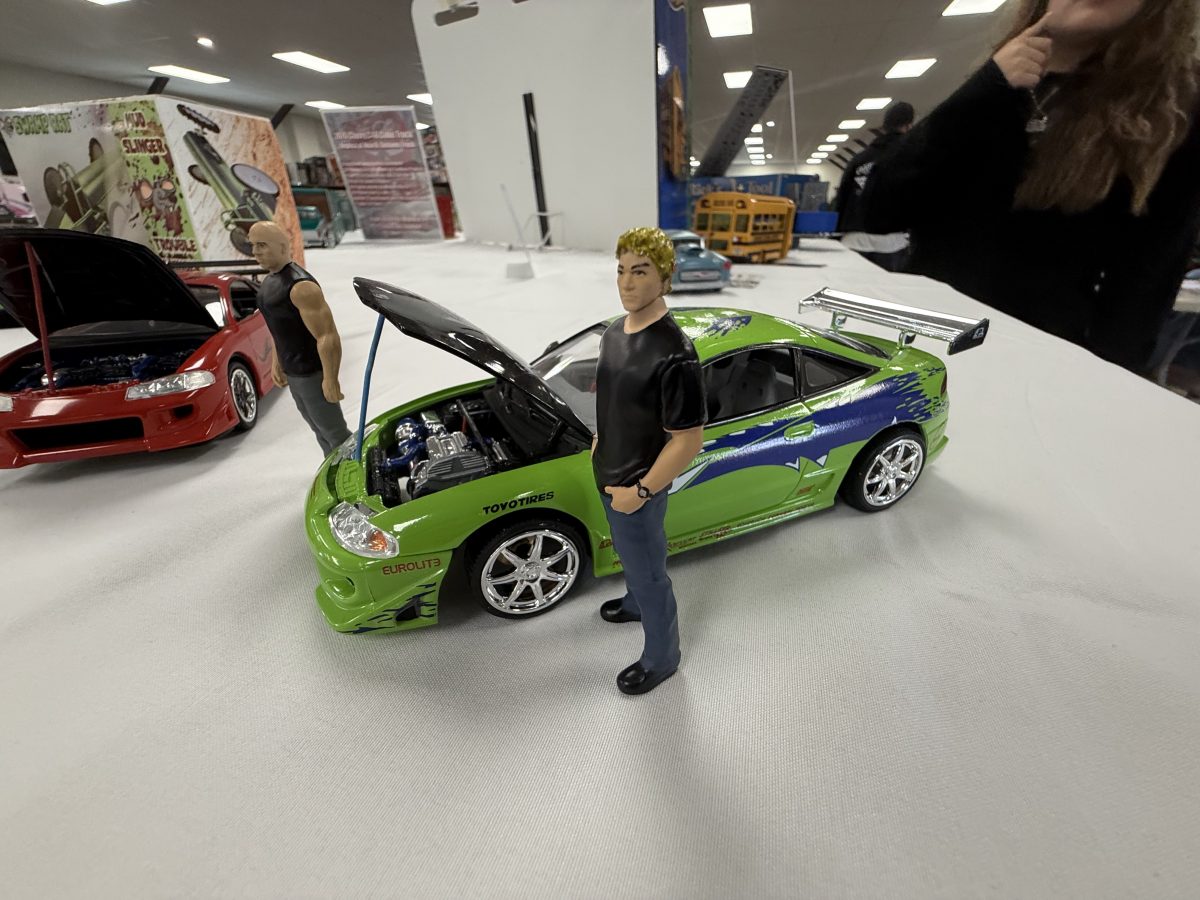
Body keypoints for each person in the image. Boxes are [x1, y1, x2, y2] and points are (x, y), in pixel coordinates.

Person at [861, 0, 1200, 373]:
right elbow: (879, 208)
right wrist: (986, 85)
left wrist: (1100, 381)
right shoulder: (997, 89)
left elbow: (1148, 281)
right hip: (924, 342)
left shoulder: (1171, 108)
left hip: (1039, 366)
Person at [592, 226, 706, 696]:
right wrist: (602, 438)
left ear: (665, 276)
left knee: (650, 573)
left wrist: (640, 492)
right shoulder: (613, 334)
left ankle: (662, 657)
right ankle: (634, 603)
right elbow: (618, 398)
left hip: (638, 487)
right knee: (633, 559)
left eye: (640, 271)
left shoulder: (676, 354)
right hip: (609, 473)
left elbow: (688, 440)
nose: (626, 282)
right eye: (621, 270)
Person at [248, 221, 351, 456]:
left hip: (312, 373)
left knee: (335, 432)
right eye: (253, 245)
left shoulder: (301, 287)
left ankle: (353, 468)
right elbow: (280, 329)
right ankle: (331, 466)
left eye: (262, 245)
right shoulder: (269, 283)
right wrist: (277, 362)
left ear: (283, 246)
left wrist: (330, 378)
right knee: (317, 428)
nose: (255, 252)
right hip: (294, 372)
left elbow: (327, 335)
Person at [835, 101, 915, 272]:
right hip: (891, 242)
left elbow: (841, 198)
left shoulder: (859, 158)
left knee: (850, 287)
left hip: (854, 238)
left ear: (884, 126)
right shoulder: (910, 157)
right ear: (909, 126)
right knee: (888, 289)